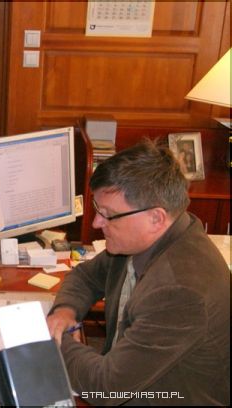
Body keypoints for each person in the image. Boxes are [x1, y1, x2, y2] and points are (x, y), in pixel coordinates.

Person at [47, 139, 230, 405]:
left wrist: (53, 338)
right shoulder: (148, 238)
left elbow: (107, 388)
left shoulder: (180, 291)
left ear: (156, 218)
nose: (97, 223)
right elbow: (85, 276)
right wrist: (65, 311)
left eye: (108, 214)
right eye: (98, 209)